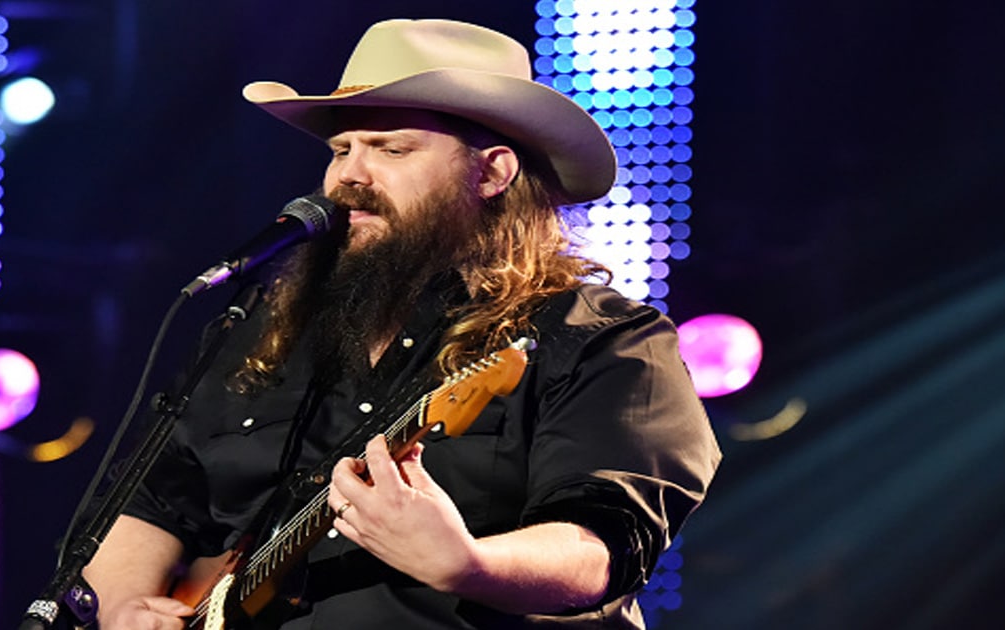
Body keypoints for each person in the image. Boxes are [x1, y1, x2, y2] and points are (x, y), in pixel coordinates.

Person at [83, 18, 721, 629]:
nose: (347, 177)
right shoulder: (260, 329)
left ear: (492, 172)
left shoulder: (600, 339)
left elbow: (602, 546)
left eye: (390, 148)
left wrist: (468, 565)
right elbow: (150, 500)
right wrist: (124, 606)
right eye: (340, 149)